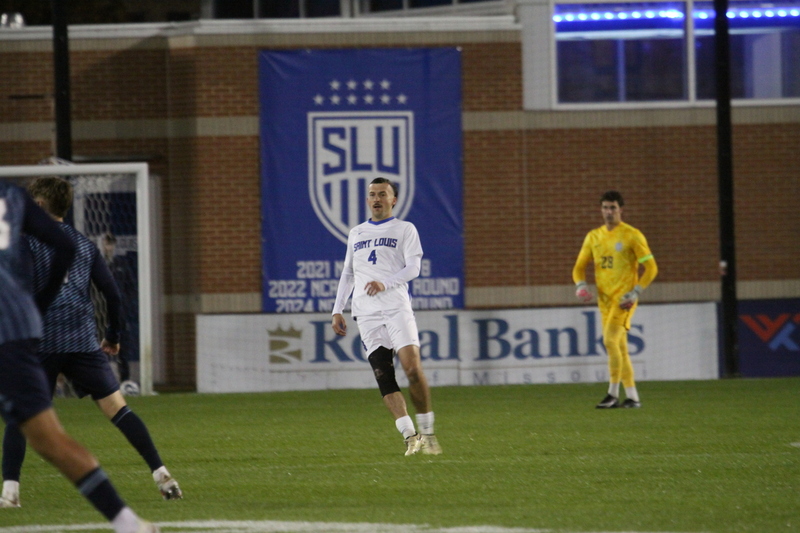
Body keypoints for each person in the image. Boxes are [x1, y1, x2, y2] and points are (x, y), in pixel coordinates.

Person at [1, 177, 182, 509]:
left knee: (20, 416)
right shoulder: (84, 244)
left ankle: (10, 492)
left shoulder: (25, 242)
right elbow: (111, 294)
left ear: (39, 206)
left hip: (41, 341)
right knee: (118, 409)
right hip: (83, 339)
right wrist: (112, 336)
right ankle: (161, 472)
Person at [331, 177, 442, 456]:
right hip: (366, 313)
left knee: (412, 369)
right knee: (383, 373)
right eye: (372, 194)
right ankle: (410, 436)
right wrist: (337, 309)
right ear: (367, 200)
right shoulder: (356, 233)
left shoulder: (405, 229)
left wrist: (386, 282)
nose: (376, 198)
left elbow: (414, 267)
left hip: (395, 307)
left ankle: (428, 433)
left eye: (382, 194)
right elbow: (348, 273)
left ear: (393, 200)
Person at [572, 190, 658, 409]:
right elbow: (579, 267)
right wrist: (581, 285)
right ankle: (633, 397)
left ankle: (612, 394)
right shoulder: (594, 236)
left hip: (624, 300)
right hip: (604, 300)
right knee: (620, 347)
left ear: (621, 210)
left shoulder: (632, 235)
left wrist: (635, 292)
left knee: (609, 341)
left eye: (612, 208)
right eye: (605, 208)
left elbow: (651, 268)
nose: (608, 212)